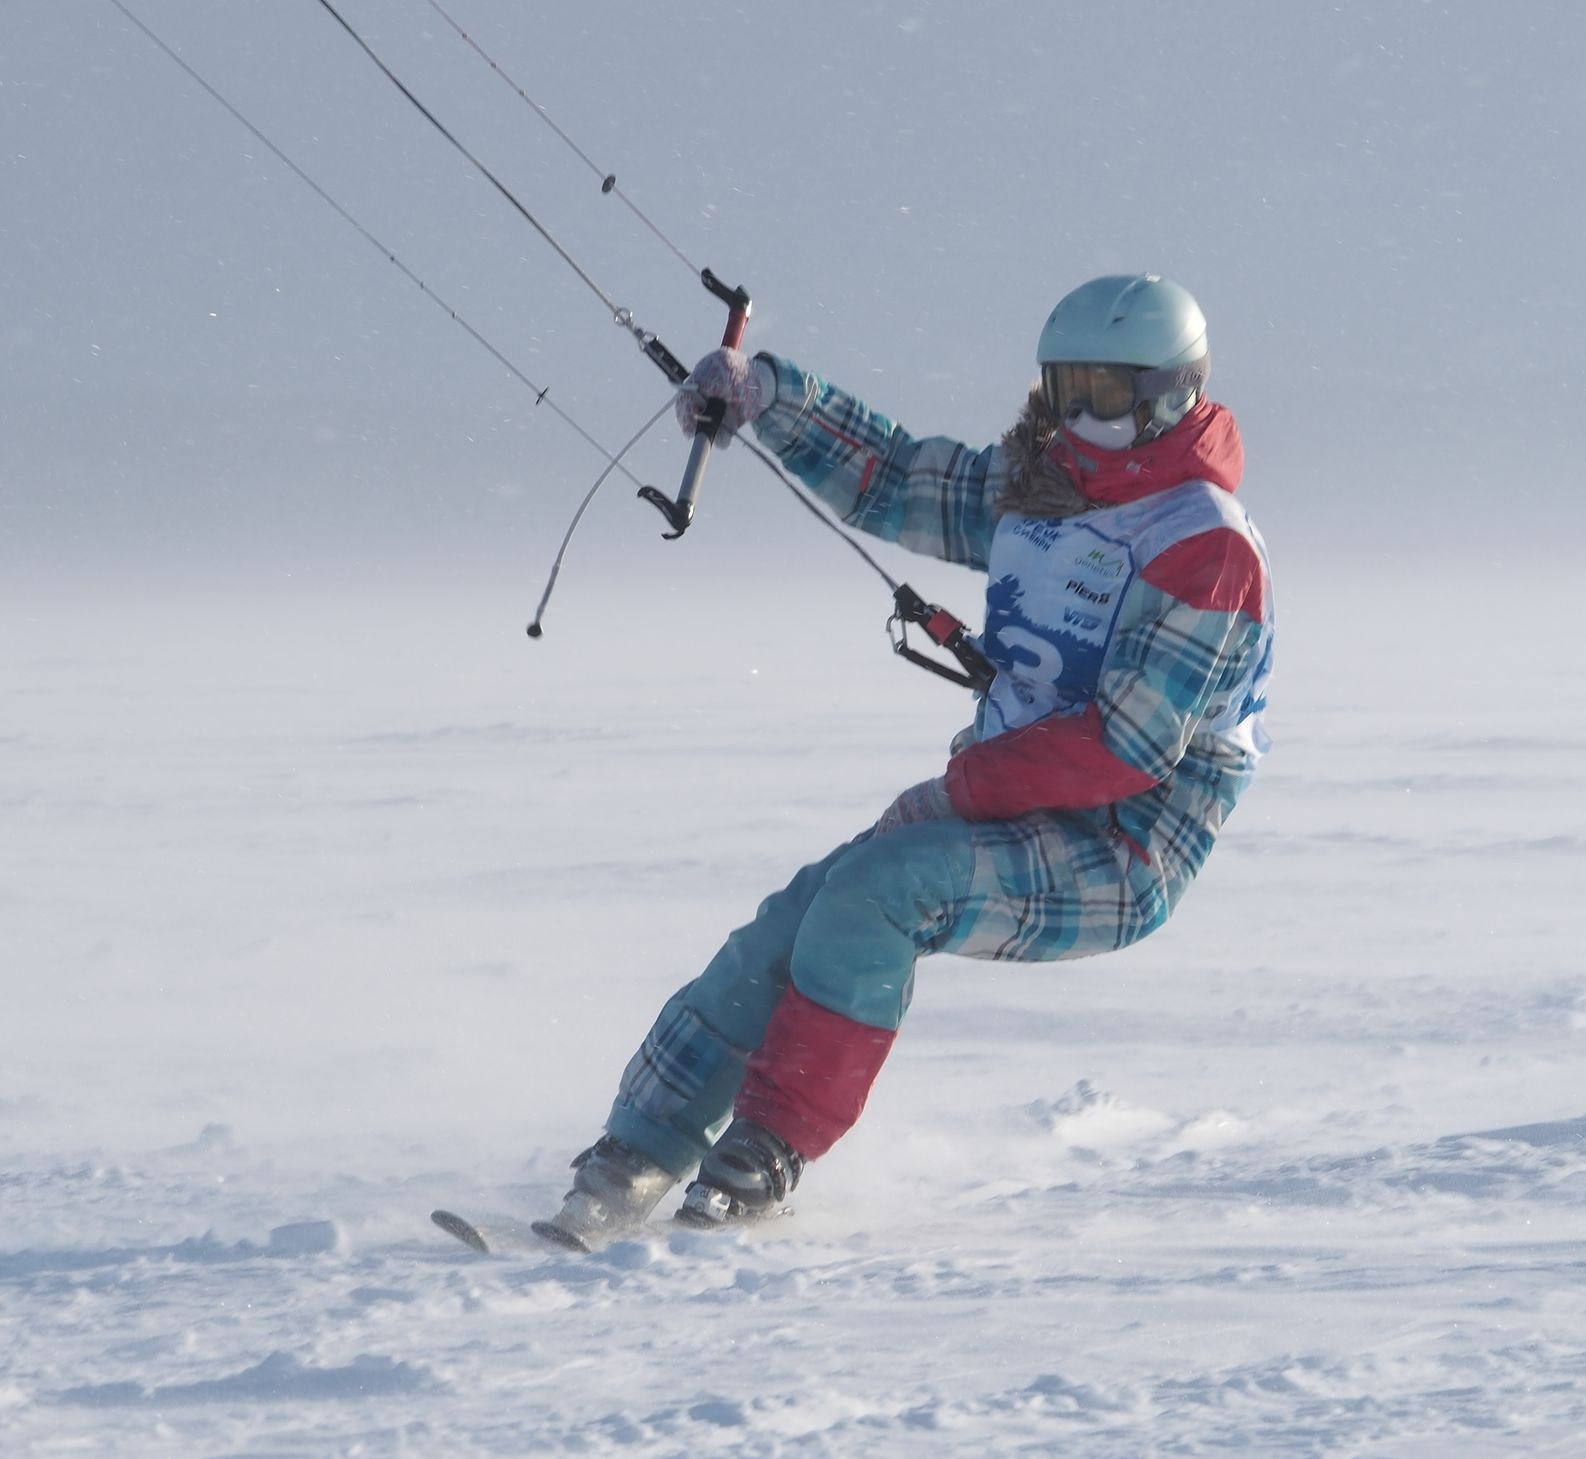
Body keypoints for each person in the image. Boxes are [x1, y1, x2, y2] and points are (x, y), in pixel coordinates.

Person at [540, 273, 1273, 1248]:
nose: (1083, 422)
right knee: (791, 924)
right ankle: (631, 1159)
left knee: (877, 894)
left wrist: (956, 789)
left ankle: (762, 1155)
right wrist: (765, 396)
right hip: (1014, 802)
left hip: (1125, 844)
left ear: (1172, 393)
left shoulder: (1204, 549)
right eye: (1065, 393)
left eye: (1107, 396)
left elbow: (1124, 749)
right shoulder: (1040, 490)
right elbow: (894, 479)